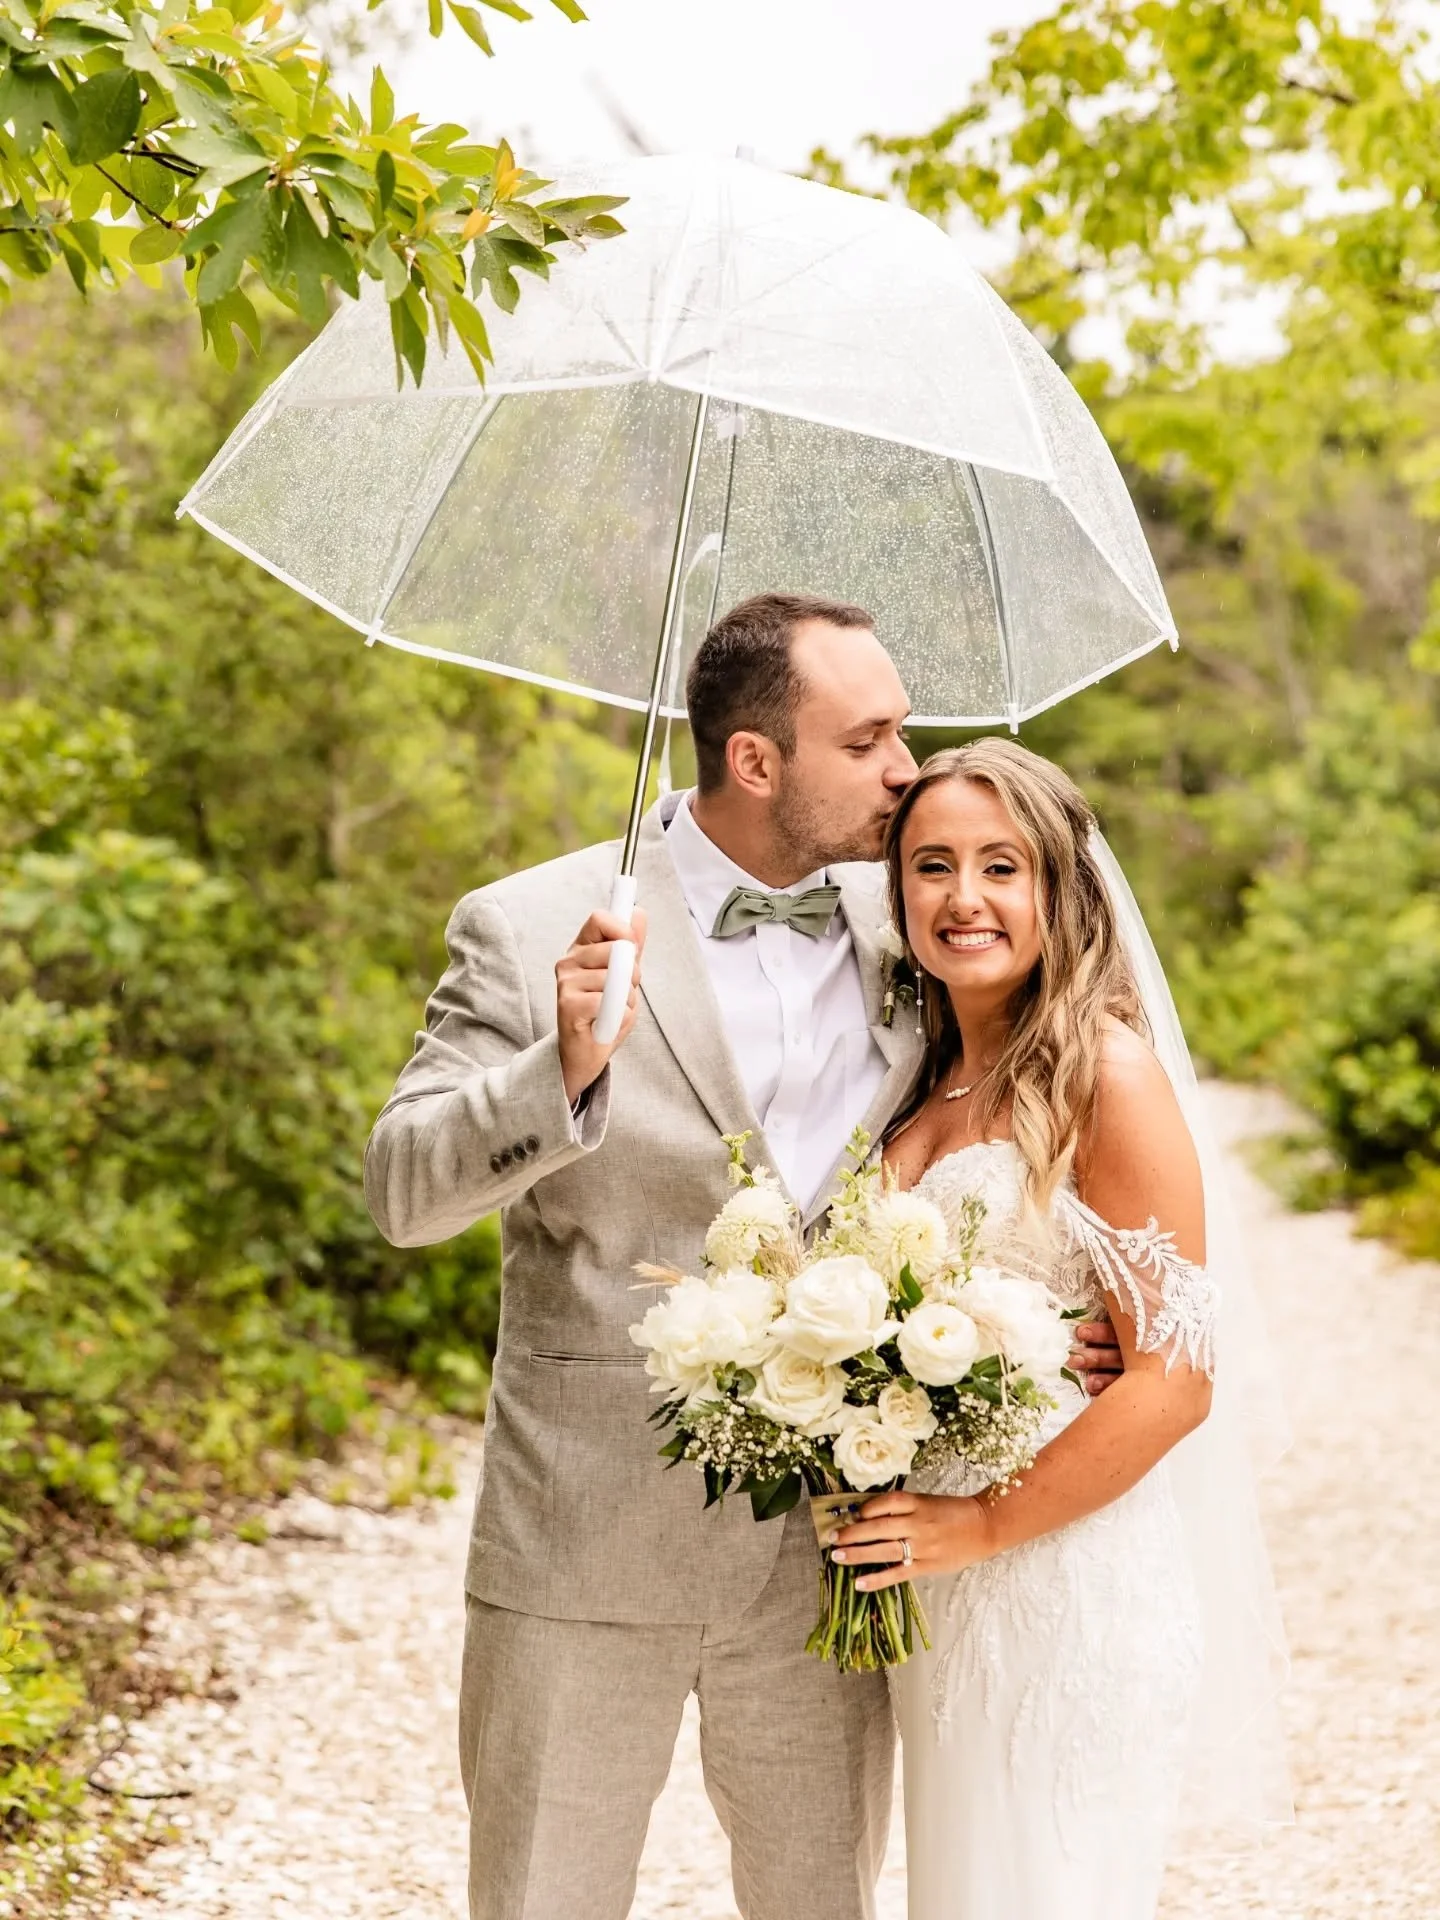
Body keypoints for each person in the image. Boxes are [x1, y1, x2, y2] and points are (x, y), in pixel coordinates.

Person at [363, 594, 1124, 1920]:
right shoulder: (528, 925)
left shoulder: (920, 923)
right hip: (585, 1534)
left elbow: (1017, 1120)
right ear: (756, 760)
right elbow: (403, 1191)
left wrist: (1047, 1336)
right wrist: (561, 1069)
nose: (905, 770)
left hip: (835, 1544)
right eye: (868, 741)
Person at [827, 740, 1283, 1920]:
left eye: (1001, 866)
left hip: (1061, 1579)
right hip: (937, 1592)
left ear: (1058, 890)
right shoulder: (918, 1081)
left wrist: (983, 1521)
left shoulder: (1105, 1075)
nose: (962, 898)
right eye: (932, 865)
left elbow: (1177, 1377)